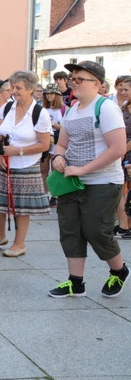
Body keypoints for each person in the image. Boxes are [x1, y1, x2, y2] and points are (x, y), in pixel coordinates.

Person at [49, 60, 129, 298]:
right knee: (70, 230)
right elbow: (62, 143)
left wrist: (84, 170)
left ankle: (119, 270)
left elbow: (117, 149)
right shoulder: (72, 109)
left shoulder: (105, 108)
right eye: (73, 78)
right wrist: (58, 158)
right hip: (71, 180)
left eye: (79, 79)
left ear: (98, 84)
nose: (73, 83)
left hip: (102, 181)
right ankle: (76, 282)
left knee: (96, 230)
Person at [0, 71, 51, 257]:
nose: (13, 91)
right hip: (3, 162)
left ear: (31, 89)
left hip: (26, 164)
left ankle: (19, 243)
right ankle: (0, 236)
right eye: (12, 87)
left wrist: (18, 151)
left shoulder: (40, 113)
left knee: (21, 206)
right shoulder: (7, 108)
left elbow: (44, 144)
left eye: (18, 88)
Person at [40, 83, 67, 207]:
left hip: (57, 141)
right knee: (43, 168)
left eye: (52, 93)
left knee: (56, 168)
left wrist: (54, 125)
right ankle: (45, 193)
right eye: (47, 93)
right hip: (45, 140)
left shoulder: (64, 109)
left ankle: (55, 195)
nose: (49, 96)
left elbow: (66, 128)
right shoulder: (41, 108)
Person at [114, 76, 131, 239]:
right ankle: (124, 224)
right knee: (120, 188)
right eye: (121, 89)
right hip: (122, 150)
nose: (122, 92)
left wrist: (121, 151)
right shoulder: (124, 105)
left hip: (126, 151)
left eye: (126, 89)